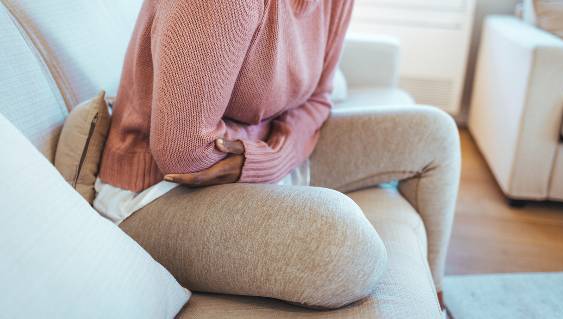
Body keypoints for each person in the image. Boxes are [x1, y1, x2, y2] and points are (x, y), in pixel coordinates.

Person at [95, 0, 460, 310]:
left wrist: (270, 155)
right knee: (345, 249)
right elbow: (184, 150)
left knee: (436, 134)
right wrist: (270, 148)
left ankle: (437, 298)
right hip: (160, 191)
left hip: (245, 158)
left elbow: (320, 99)